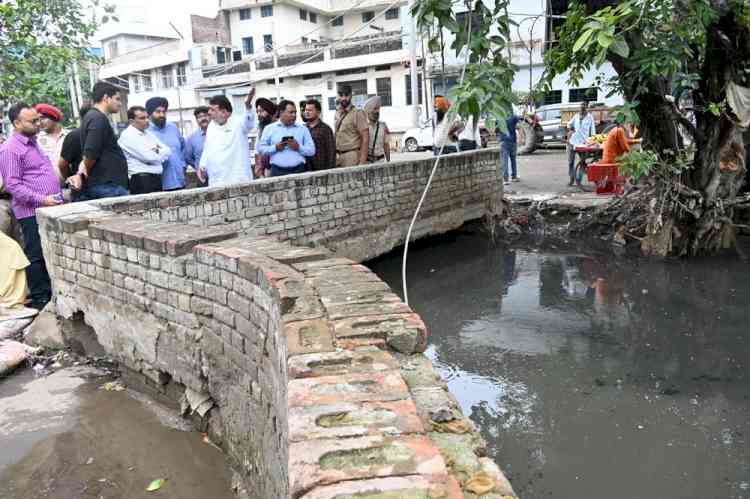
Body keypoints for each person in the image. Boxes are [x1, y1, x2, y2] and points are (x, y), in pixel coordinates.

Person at [0, 103, 64, 310]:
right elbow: (13, 185)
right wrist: (42, 199)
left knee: (52, 252)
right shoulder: (11, 148)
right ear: (17, 123)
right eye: (33, 121)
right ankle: (40, 298)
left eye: (38, 119)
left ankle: (52, 294)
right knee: (36, 255)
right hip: (31, 211)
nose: (38, 124)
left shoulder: (33, 142)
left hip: (49, 206)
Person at [73, 81, 129, 200]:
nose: (120, 103)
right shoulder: (97, 118)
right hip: (107, 185)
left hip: (108, 184)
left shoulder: (95, 117)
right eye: (117, 99)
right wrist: (84, 170)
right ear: (106, 98)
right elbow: (90, 152)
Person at [198, 88, 257, 187]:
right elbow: (207, 149)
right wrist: (202, 166)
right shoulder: (211, 126)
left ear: (224, 112)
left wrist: (247, 105)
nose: (209, 112)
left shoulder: (238, 123)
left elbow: (249, 123)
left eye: (213, 109)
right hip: (216, 181)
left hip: (238, 180)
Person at [118, 106, 172, 195]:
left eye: (147, 117)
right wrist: (157, 152)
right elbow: (149, 157)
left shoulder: (148, 133)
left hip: (156, 179)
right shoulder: (127, 136)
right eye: (142, 118)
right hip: (142, 181)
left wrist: (154, 152)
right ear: (132, 121)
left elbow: (167, 151)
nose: (147, 120)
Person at [257, 100, 315, 177]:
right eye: (291, 112)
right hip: (277, 171)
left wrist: (298, 147)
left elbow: (312, 151)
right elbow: (261, 149)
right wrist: (275, 148)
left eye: (295, 112)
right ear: (281, 113)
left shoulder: (303, 129)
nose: (294, 115)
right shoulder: (269, 129)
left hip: (299, 171)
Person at [145, 97, 186, 191]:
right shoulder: (146, 132)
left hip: (180, 181)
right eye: (158, 112)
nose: (162, 115)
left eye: (164, 112)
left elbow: (183, 148)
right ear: (149, 113)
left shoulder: (172, 127)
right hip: (160, 186)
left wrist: (183, 165)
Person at [334, 85, 368, 167]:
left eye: (346, 95)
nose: (344, 98)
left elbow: (365, 138)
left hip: (351, 155)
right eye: (341, 95)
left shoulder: (357, 113)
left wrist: (362, 162)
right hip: (338, 155)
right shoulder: (337, 113)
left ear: (351, 96)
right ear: (337, 96)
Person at [58, 103, 92, 185]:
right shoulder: (74, 136)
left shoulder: (106, 133)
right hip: (84, 188)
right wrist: (72, 178)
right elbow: (62, 164)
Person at [35, 103, 68, 180]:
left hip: (71, 185)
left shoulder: (69, 136)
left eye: (43, 118)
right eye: (38, 119)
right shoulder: (37, 140)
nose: (40, 122)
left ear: (54, 117)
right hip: (48, 188)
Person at [567, 101, 596, 186]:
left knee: (582, 162)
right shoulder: (576, 116)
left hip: (583, 143)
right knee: (570, 162)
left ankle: (579, 179)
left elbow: (593, 131)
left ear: (586, 107)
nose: (582, 108)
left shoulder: (590, 117)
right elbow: (569, 124)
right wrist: (570, 130)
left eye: (584, 106)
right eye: (581, 106)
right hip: (572, 142)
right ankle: (571, 178)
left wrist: (592, 141)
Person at [304, 99, 335, 171]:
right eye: (306, 110)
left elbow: (331, 152)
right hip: (306, 169)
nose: (307, 112)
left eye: (310, 110)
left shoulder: (325, 129)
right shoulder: (303, 129)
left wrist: (330, 170)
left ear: (318, 112)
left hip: (321, 169)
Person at [184, 106, 210, 184]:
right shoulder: (192, 138)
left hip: (221, 176)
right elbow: (188, 158)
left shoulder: (219, 133)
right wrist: (197, 166)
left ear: (210, 116)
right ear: (196, 120)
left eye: (205, 115)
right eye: (199, 117)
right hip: (203, 179)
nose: (203, 119)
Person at [254, 97, 277, 178]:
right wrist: (260, 174)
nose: (259, 114)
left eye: (262, 111)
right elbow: (257, 154)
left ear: (270, 112)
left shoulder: (278, 128)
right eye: (257, 112)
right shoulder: (260, 131)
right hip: (267, 173)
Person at [363, 96, 390, 163]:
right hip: (367, 161)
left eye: (378, 110)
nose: (377, 112)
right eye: (374, 110)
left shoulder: (383, 126)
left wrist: (388, 161)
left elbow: (386, 144)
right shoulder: (364, 126)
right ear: (368, 113)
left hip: (380, 160)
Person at [498, 114, 521, 184]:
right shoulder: (513, 116)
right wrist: (521, 138)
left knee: (504, 161)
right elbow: (519, 126)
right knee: (513, 160)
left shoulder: (499, 117)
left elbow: (496, 129)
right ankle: (514, 177)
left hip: (503, 141)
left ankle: (505, 179)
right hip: (513, 141)